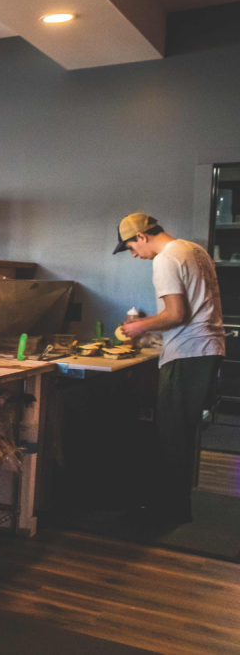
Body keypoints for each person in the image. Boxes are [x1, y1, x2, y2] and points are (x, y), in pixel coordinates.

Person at [117, 213, 224, 524]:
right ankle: (176, 506)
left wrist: (138, 327)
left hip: (189, 352)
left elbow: (176, 314)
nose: (134, 255)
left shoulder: (165, 258)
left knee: (171, 433)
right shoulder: (194, 250)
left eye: (131, 248)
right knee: (180, 432)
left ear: (142, 237)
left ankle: (170, 511)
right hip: (208, 348)